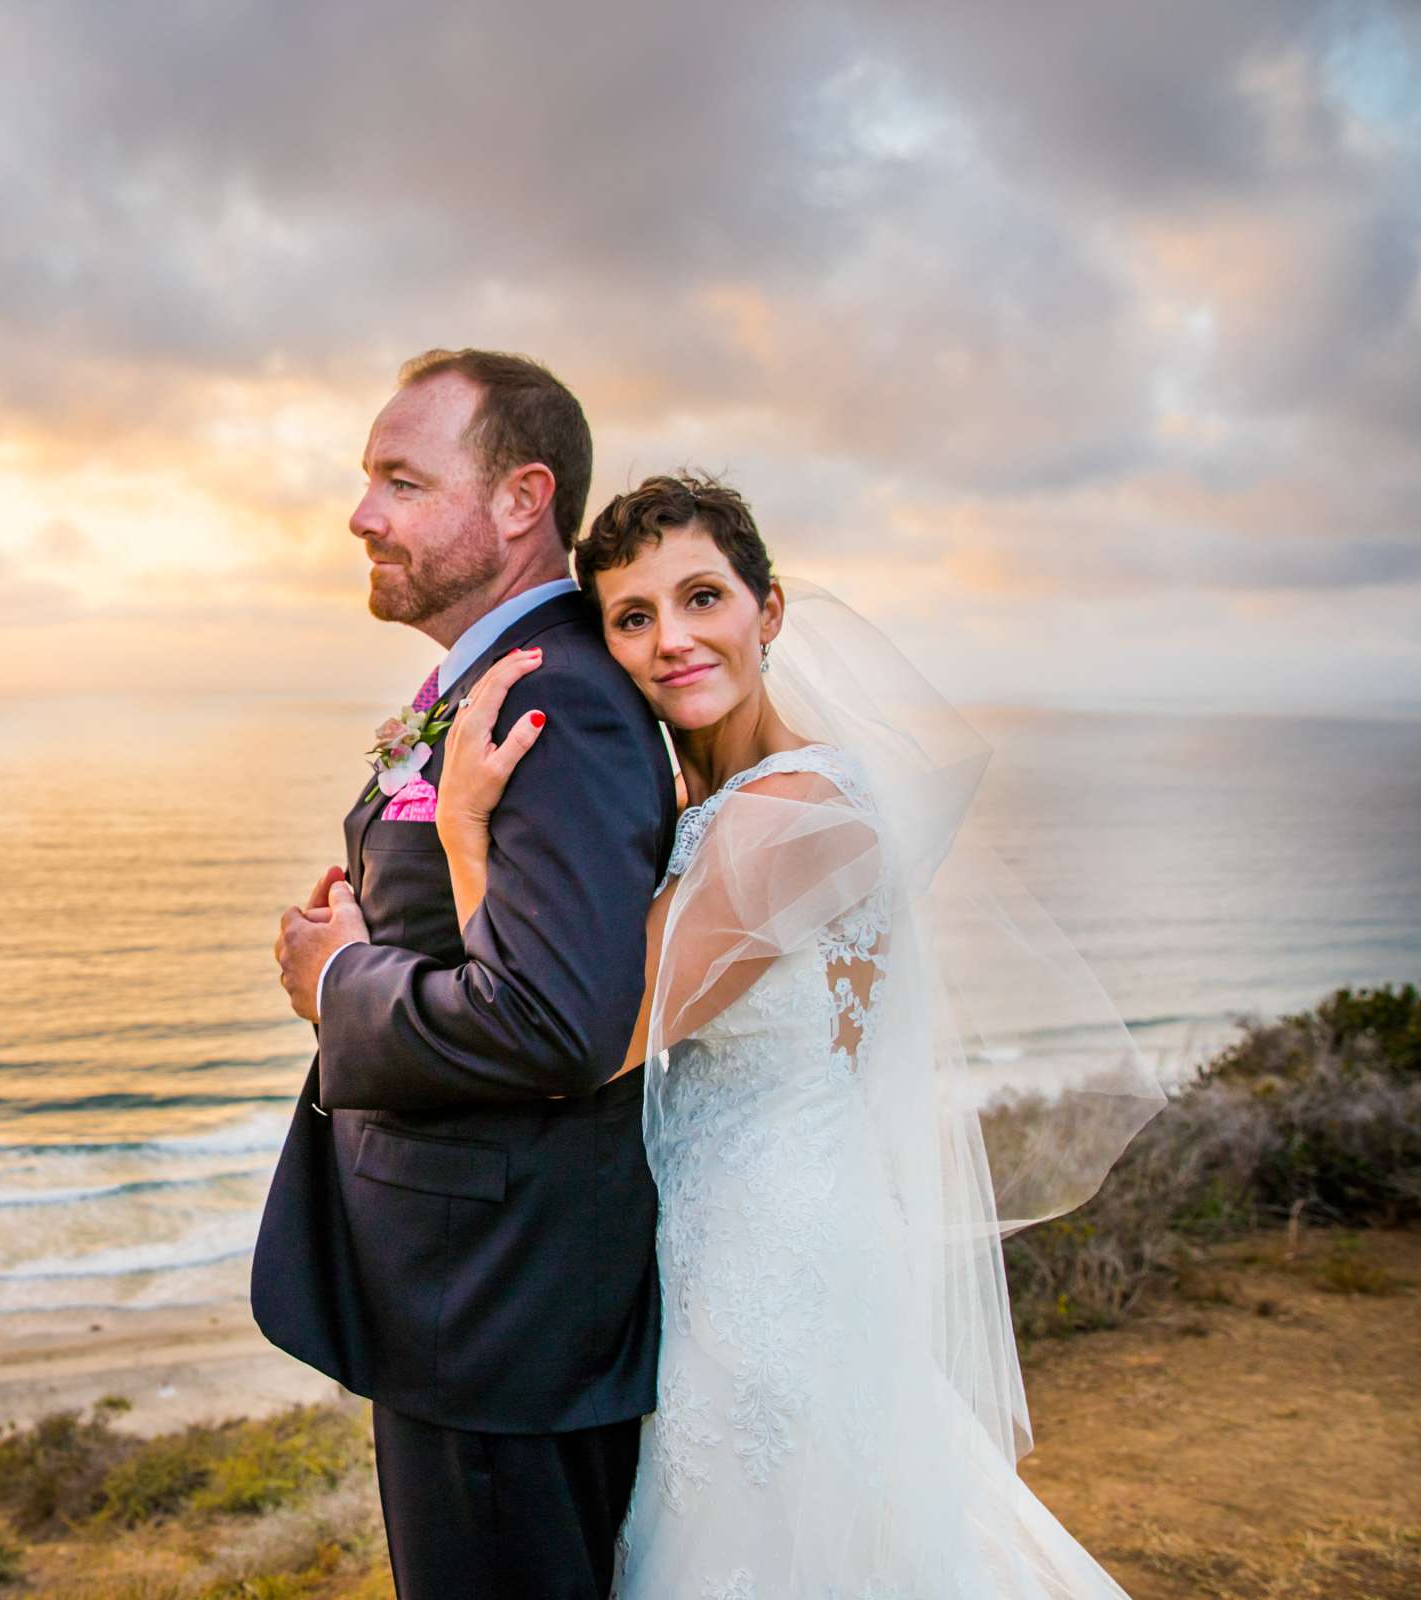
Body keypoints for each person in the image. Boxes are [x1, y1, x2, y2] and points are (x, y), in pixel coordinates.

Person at [434, 472, 1165, 1598]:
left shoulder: (797, 815)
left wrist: (464, 831)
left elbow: (590, 1036)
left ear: (767, 612)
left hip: (771, 1253)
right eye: (634, 617)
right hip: (729, 1226)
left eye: (702, 599)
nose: (671, 639)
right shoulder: (717, 805)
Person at [253, 348, 675, 1600]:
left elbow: (553, 1023)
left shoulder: (568, 704)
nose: (361, 512)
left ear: (518, 499)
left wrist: (338, 982)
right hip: (472, 1302)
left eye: (399, 478)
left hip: (503, 1318)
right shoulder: (492, 681)